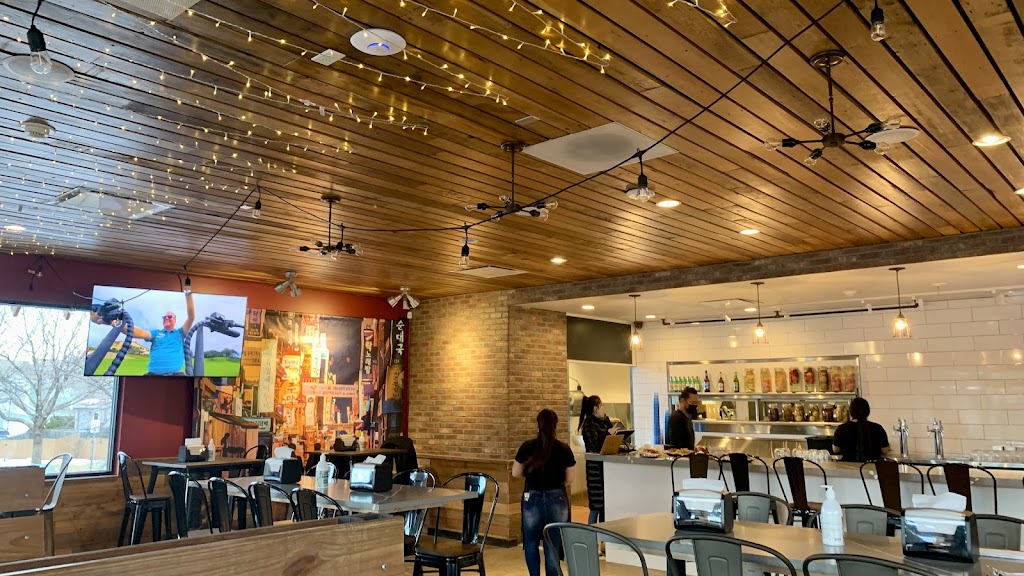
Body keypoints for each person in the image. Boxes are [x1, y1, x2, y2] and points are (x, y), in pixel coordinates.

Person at [513, 409, 575, 576]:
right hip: (557, 499)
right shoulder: (563, 449)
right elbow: (570, 478)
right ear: (556, 425)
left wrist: (531, 476)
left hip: (532, 498)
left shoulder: (527, 447)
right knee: (553, 542)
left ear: (538, 425)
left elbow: (515, 473)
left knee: (531, 541)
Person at [93, 290, 195, 375]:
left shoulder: (180, 333)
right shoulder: (156, 333)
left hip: (176, 375)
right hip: (153, 375)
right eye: (164, 317)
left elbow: (191, 317)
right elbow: (139, 332)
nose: (166, 318)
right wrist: (113, 323)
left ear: (175, 320)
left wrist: (188, 293)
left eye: (169, 316)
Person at [578, 395, 619, 524]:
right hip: (594, 470)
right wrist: (608, 433)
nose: (604, 409)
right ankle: (591, 532)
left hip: (604, 468)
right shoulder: (588, 424)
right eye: (602, 406)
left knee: (604, 506)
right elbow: (595, 445)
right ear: (596, 408)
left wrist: (607, 421)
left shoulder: (601, 422)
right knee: (596, 506)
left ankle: (602, 534)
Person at [832, 398, 890, 462]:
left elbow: (835, 450)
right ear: (867, 411)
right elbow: (885, 450)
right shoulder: (877, 428)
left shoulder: (842, 428)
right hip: (871, 465)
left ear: (851, 412)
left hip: (848, 465)